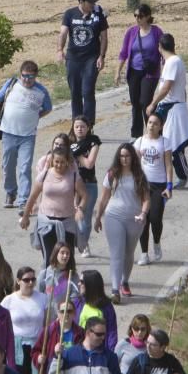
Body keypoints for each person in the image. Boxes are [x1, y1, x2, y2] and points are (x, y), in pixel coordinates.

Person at [0, 60, 53, 210]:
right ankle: (11, 192)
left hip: (28, 135)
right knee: (8, 165)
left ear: (36, 76)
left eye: (31, 77)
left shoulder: (41, 91)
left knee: (25, 167)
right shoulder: (12, 84)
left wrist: (35, 117)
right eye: (25, 76)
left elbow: (48, 108)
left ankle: (23, 199)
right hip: (8, 133)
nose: (27, 80)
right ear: (20, 74)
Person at [94, 144, 149, 303]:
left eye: (127, 156)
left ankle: (125, 280)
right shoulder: (112, 174)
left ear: (133, 158)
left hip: (134, 219)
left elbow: (146, 199)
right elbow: (104, 198)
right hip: (114, 216)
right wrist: (98, 218)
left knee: (128, 253)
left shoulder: (139, 176)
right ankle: (115, 289)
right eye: (122, 156)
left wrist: (143, 213)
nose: (124, 159)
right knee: (117, 253)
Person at [20, 146, 88, 266]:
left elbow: (84, 195)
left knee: (67, 260)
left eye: (62, 162)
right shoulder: (44, 174)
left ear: (67, 161)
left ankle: (65, 284)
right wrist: (25, 216)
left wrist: (80, 209)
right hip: (46, 223)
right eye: (56, 161)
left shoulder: (73, 176)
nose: (59, 165)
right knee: (49, 260)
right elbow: (32, 197)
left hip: (67, 223)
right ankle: (49, 284)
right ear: (52, 161)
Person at [146, 34, 188, 188]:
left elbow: (167, 87)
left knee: (173, 145)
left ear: (159, 47)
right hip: (169, 106)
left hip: (171, 107)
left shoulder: (173, 62)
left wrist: (152, 103)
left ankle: (183, 174)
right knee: (156, 141)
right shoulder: (170, 62)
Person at [1, 266, 47, 374]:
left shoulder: (42, 298)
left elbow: (48, 322)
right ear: (18, 281)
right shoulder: (9, 300)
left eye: (33, 280)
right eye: (26, 280)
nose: (30, 283)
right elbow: (1, 322)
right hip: (15, 346)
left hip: (36, 345)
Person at [57, 0, 108, 125]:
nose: (92, 4)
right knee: (75, 93)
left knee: (87, 91)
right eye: (90, 2)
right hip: (73, 58)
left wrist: (101, 56)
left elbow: (104, 37)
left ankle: (88, 124)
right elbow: (63, 33)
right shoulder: (70, 14)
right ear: (81, 2)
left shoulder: (98, 13)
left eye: (93, 2)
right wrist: (60, 50)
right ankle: (77, 125)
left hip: (91, 58)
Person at [115, 4, 164, 138]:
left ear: (148, 16)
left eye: (140, 16)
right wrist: (118, 71)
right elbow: (124, 52)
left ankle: (154, 132)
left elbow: (164, 51)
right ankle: (136, 135)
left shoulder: (156, 32)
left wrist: (166, 69)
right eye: (135, 15)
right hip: (134, 72)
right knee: (135, 103)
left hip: (150, 73)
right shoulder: (131, 32)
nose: (137, 18)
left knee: (145, 102)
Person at [134, 112, 173, 266]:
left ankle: (156, 243)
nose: (151, 126)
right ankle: (144, 254)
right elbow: (134, 165)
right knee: (143, 220)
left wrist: (169, 186)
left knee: (156, 218)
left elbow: (169, 165)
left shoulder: (165, 142)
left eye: (155, 123)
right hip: (143, 185)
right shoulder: (139, 141)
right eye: (150, 122)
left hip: (159, 186)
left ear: (160, 126)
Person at [69, 116, 102, 258]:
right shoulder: (69, 143)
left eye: (82, 126)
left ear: (88, 128)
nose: (79, 129)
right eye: (76, 126)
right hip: (72, 183)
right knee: (74, 215)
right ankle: (75, 243)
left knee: (86, 217)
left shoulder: (93, 141)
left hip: (89, 182)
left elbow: (89, 164)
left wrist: (77, 153)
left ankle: (84, 244)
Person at [73, 270, 119, 351]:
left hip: (99, 352)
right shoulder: (77, 302)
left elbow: (112, 332)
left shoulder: (106, 307)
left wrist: (109, 354)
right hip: (78, 350)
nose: (78, 284)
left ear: (90, 284)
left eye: (81, 282)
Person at [37, 241, 82, 316]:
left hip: (64, 315)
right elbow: (39, 294)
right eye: (62, 253)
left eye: (67, 253)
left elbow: (74, 297)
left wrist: (65, 311)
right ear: (56, 254)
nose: (65, 256)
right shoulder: (45, 273)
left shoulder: (73, 275)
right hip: (47, 314)